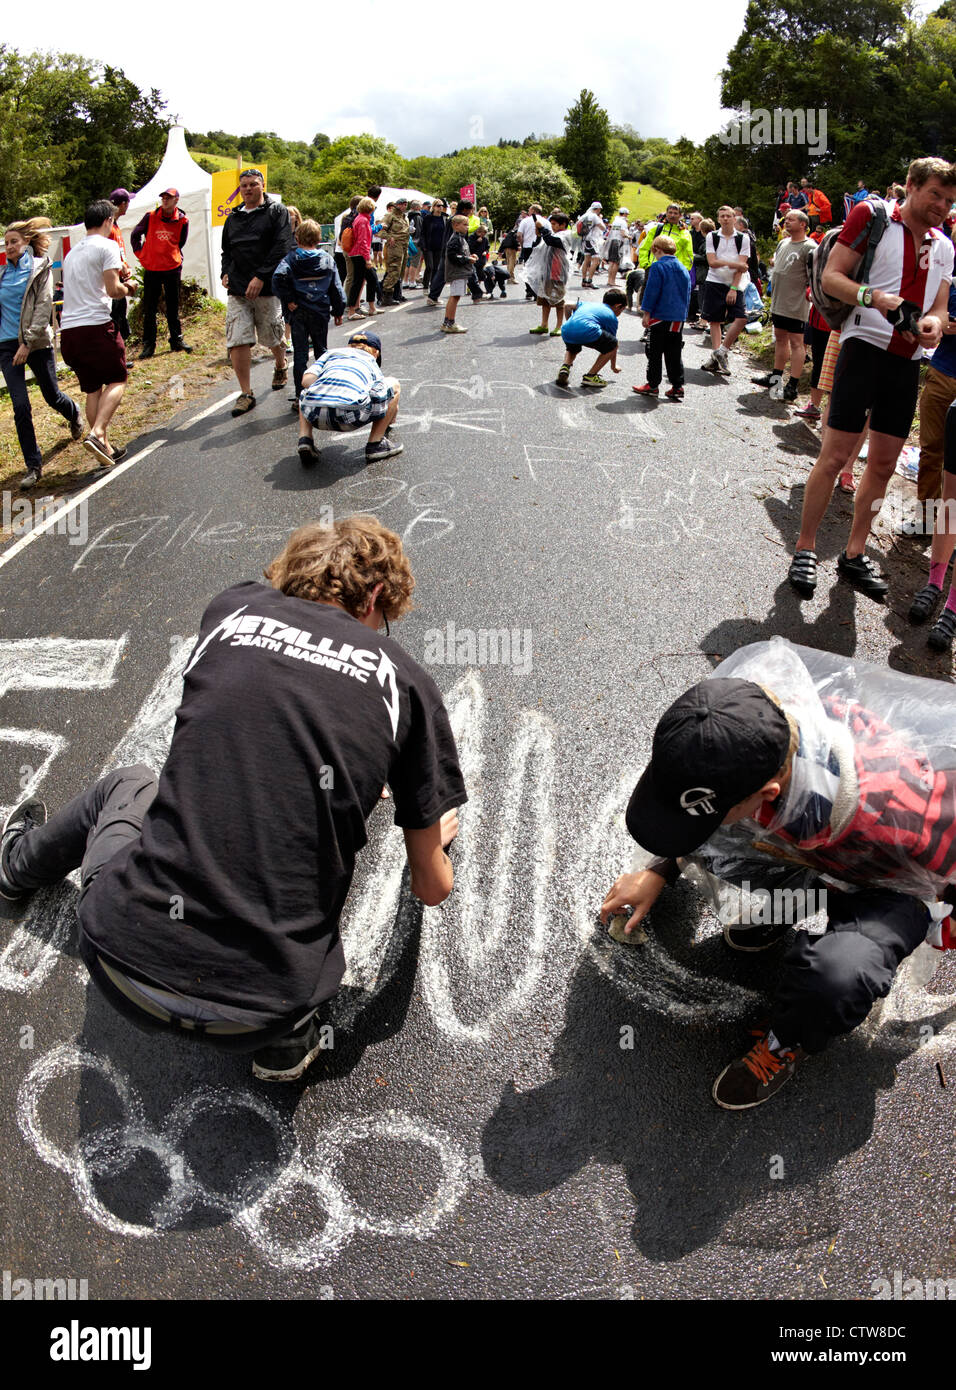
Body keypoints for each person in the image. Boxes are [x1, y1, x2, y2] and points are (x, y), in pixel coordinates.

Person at [0, 516, 466, 1084]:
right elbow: (432, 888)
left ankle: (15, 867)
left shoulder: (233, 610)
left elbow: (266, 709)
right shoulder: (407, 684)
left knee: (127, 784)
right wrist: (431, 836)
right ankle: (288, 1043)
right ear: (375, 596)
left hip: (121, 964)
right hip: (266, 1010)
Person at [600, 639, 956, 1109]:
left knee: (836, 979)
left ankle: (788, 1040)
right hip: (827, 856)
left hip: (897, 886)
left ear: (768, 793)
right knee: (726, 845)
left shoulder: (897, 819)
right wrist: (661, 868)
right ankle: (791, 904)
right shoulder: (754, 726)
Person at [788, 156, 956, 600]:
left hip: (907, 360)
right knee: (836, 453)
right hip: (863, 347)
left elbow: (939, 307)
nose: (942, 205)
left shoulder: (944, 245)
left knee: (882, 463)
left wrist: (935, 324)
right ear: (912, 186)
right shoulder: (874, 216)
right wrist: (876, 298)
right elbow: (832, 275)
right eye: (935, 194)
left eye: (950, 200)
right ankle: (805, 547)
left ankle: (853, 552)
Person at [0, 217, 82, 488]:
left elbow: (43, 306)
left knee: (51, 395)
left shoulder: (39, 268)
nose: (9, 246)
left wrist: (27, 343)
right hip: (6, 346)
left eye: (14, 242)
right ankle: (33, 466)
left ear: (26, 243)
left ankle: (73, 413)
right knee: (20, 405)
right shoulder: (2, 274)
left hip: (35, 343)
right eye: (7, 242)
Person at [59, 199, 134, 466]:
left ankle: (104, 449)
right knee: (118, 378)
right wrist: (130, 287)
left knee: (92, 389)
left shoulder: (71, 254)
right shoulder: (108, 245)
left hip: (68, 332)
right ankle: (97, 432)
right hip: (95, 326)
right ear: (108, 221)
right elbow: (114, 290)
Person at [220, 168, 294, 417]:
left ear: (263, 185)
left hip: (268, 286)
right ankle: (246, 393)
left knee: (272, 336)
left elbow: (282, 245)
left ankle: (281, 365)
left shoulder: (276, 212)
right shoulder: (233, 218)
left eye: (253, 184)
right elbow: (226, 251)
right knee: (237, 339)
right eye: (244, 186)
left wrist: (261, 276)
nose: (248, 189)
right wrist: (225, 272)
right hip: (238, 289)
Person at [295, 330, 402, 465]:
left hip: (314, 415)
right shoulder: (370, 360)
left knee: (306, 392)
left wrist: (328, 387)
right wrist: (392, 410)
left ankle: (305, 439)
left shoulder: (331, 354)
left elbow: (306, 381)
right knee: (394, 384)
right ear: (376, 352)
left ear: (349, 346)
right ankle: (375, 444)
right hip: (350, 416)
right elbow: (379, 393)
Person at [272, 220, 346, 405]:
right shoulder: (327, 259)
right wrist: (338, 310)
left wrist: (288, 299)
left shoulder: (290, 259)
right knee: (322, 351)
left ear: (296, 238)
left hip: (298, 313)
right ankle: (323, 391)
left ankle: (300, 395)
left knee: (300, 355)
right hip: (320, 312)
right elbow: (336, 288)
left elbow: (277, 278)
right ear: (319, 238)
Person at [751, 208, 812, 401]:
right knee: (780, 338)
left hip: (797, 303)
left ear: (803, 224)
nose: (786, 222)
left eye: (791, 220)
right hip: (779, 301)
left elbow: (814, 277)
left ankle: (792, 385)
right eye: (786, 219)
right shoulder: (784, 242)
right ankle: (775, 377)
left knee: (797, 342)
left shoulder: (810, 247)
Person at [912, 279, 956, 538]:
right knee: (931, 451)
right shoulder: (948, 274)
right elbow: (931, 316)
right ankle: (926, 521)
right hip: (941, 373)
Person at [130, 187, 191, 359]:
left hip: (172, 268)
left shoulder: (183, 220)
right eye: (163, 197)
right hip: (152, 269)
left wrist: (172, 254)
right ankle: (149, 345)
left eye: (169, 198)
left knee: (173, 305)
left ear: (176, 200)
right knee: (150, 308)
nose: (165, 200)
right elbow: (135, 235)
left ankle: (176, 340)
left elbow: (181, 242)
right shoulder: (150, 217)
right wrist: (141, 254)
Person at [632, 235, 691, 400]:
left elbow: (652, 291)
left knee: (654, 351)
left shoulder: (658, 267)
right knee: (674, 352)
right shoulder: (682, 268)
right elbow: (687, 294)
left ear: (656, 249)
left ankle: (652, 384)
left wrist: (646, 313)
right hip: (678, 317)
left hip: (660, 316)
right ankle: (677, 385)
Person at [700, 205, 753, 375]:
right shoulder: (712, 236)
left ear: (734, 218)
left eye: (728, 216)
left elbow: (742, 267)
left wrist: (733, 288)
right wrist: (736, 264)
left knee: (741, 318)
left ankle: (722, 351)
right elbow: (712, 262)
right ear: (718, 219)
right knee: (715, 321)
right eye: (722, 216)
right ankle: (717, 357)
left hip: (734, 282)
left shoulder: (743, 238)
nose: (725, 219)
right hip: (714, 280)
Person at [556, 287, 627, 389]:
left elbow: (567, 306)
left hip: (567, 330)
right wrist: (613, 366)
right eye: (622, 310)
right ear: (618, 306)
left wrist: (570, 322)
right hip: (587, 330)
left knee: (572, 348)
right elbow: (613, 345)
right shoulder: (612, 317)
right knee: (613, 343)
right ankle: (590, 376)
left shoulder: (588, 304)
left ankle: (565, 366)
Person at [525, 210, 572, 336]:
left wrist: (542, 229)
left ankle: (559, 326)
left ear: (563, 225)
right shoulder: (553, 234)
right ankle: (544, 324)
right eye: (551, 223)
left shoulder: (565, 235)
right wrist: (539, 233)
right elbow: (539, 246)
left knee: (558, 300)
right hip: (547, 272)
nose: (552, 226)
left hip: (558, 273)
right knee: (544, 298)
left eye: (555, 224)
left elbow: (552, 241)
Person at [439, 215, 477, 334]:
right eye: (465, 225)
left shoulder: (460, 238)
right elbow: (453, 255)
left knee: (455, 296)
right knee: (455, 297)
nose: (467, 227)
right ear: (456, 226)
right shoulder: (455, 238)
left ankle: (447, 323)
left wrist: (470, 256)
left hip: (459, 272)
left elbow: (460, 253)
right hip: (456, 272)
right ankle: (450, 323)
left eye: (467, 224)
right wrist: (467, 259)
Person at [344, 197, 379, 321]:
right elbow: (363, 241)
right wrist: (367, 259)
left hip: (356, 254)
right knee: (359, 282)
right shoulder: (363, 221)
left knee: (369, 279)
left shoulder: (360, 218)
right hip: (360, 255)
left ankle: (371, 307)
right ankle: (353, 311)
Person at [107, 189, 133, 343]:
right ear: (123, 204)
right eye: (128, 202)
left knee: (120, 315)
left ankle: (121, 351)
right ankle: (116, 353)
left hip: (120, 276)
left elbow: (119, 251)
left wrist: (125, 265)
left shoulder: (115, 225)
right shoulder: (108, 226)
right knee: (115, 317)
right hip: (112, 279)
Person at [380, 196, 410, 306]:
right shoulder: (390, 216)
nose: (404, 206)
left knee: (400, 272)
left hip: (403, 246)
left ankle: (396, 294)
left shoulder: (404, 217)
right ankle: (386, 296)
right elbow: (380, 230)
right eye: (401, 204)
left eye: (405, 204)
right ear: (397, 205)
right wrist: (389, 237)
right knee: (393, 270)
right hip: (394, 247)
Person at [420, 199, 448, 296]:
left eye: (441, 206)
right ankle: (425, 286)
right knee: (429, 266)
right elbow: (423, 232)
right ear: (434, 207)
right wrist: (423, 245)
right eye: (438, 205)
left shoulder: (445, 218)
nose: (440, 207)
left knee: (436, 267)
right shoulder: (428, 218)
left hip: (440, 246)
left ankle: (433, 286)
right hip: (428, 246)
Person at [578, 203, 605, 288]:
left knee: (586, 260)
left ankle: (583, 280)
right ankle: (589, 281)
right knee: (596, 260)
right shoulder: (594, 216)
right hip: (592, 241)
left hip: (584, 240)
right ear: (598, 209)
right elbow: (603, 228)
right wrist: (600, 219)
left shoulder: (584, 216)